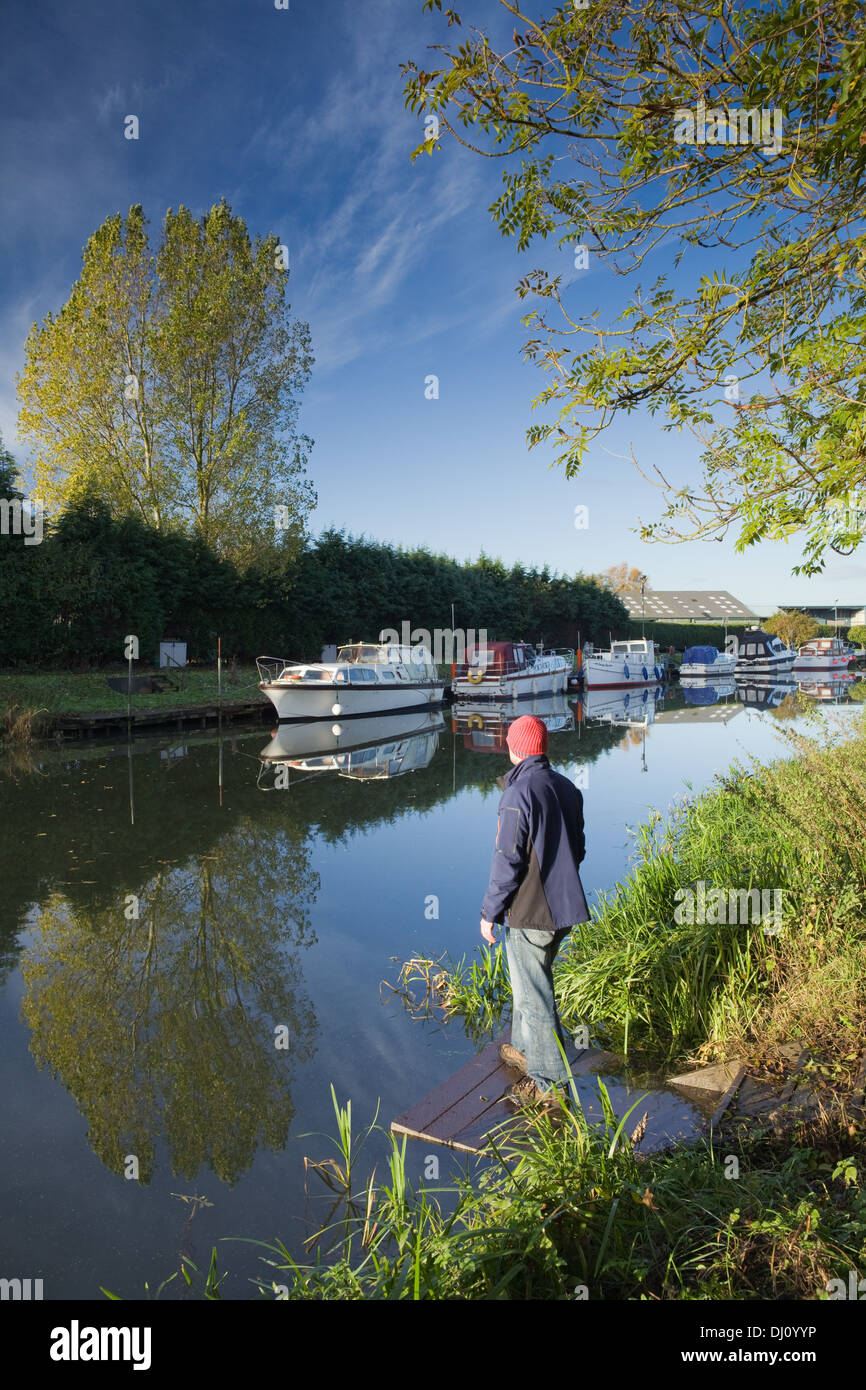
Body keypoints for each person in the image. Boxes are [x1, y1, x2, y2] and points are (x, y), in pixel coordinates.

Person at [479, 714, 589, 1111]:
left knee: (535, 995)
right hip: (562, 910)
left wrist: (488, 912)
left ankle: (550, 1084)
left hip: (530, 912)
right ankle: (524, 1048)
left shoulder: (518, 792)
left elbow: (506, 859)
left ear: (515, 749)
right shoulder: (567, 787)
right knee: (528, 983)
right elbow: (577, 850)